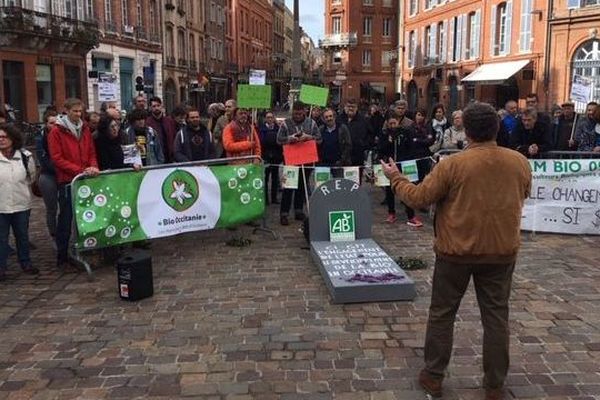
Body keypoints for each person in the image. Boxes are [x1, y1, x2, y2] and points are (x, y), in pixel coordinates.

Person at [380, 102, 532, 400]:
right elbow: (523, 192)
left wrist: (395, 177)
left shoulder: (452, 164)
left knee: (442, 314)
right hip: (500, 251)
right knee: (496, 318)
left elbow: (420, 197)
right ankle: (494, 386)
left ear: (468, 131)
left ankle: (434, 376)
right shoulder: (519, 161)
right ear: (496, 129)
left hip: (456, 252)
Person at [48, 98, 99, 269]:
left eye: (80, 112)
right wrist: (78, 170)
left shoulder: (84, 128)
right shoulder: (56, 131)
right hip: (67, 181)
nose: (78, 114)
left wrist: (92, 167)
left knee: (85, 215)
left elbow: (91, 151)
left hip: (84, 179)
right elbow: (57, 158)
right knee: (66, 218)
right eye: (75, 111)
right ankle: (62, 255)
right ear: (67, 111)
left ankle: (85, 247)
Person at [0, 124, 39, 281]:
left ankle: (25, 262)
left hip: (21, 204)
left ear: (13, 138)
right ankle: (1, 267)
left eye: (4, 137)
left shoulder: (25, 156)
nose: (1, 140)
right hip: (1, 206)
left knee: (22, 235)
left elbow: (31, 177)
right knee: (1, 238)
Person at [277, 102, 321, 226]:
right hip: (291, 159)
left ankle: (298, 210)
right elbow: (278, 140)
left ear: (304, 112)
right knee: (289, 187)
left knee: (302, 185)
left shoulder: (311, 123)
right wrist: (290, 139)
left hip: (306, 159)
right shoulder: (286, 124)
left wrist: (309, 137)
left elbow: (319, 139)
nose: (297, 116)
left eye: (300, 113)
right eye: (295, 113)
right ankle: (284, 213)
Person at [378, 115, 422, 227]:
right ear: (387, 124)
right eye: (390, 123)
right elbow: (380, 149)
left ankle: (411, 216)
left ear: (398, 122)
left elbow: (411, 147)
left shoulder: (405, 133)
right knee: (389, 190)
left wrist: (409, 160)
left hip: (403, 164)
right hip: (389, 164)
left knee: (406, 189)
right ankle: (391, 212)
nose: (393, 126)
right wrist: (388, 142)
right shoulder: (384, 134)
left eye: (394, 123)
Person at [34, 110, 59, 238]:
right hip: (49, 174)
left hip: (63, 173)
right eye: (51, 123)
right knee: (51, 207)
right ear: (46, 124)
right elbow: (43, 160)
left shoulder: (62, 134)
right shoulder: (40, 138)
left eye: (56, 122)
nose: (54, 125)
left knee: (66, 207)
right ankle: (53, 234)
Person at [337, 98, 373, 167]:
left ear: (356, 108)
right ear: (344, 107)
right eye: (348, 106)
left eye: (353, 107)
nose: (350, 108)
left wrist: (364, 145)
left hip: (357, 156)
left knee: (356, 177)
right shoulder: (338, 119)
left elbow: (371, 135)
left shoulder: (364, 120)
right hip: (341, 156)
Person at [259, 111, 283, 204]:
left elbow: (280, 142)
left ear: (274, 118)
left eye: (271, 117)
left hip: (276, 156)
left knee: (275, 178)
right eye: (268, 117)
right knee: (265, 178)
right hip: (266, 157)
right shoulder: (262, 129)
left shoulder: (278, 129)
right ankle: (265, 199)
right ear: (265, 118)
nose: (269, 119)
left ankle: (274, 198)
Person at [146, 97, 177, 163]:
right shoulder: (147, 123)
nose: (156, 108)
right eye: (154, 106)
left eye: (158, 105)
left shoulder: (170, 121)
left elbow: (175, 137)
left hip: (170, 158)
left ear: (162, 106)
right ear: (150, 108)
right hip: (156, 158)